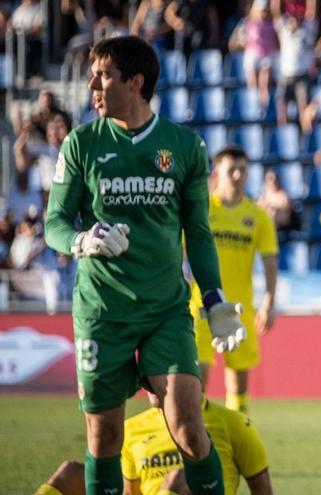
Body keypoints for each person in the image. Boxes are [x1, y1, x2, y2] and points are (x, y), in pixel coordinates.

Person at [44, 36, 245, 495]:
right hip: (101, 311)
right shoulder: (81, 144)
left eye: (104, 75)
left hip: (165, 311)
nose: (93, 85)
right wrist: (82, 240)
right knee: (105, 437)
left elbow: (197, 232)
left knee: (190, 430)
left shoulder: (184, 147)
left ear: (135, 83)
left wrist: (213, 298)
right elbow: (53, 222)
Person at [34, 392, 273, 495]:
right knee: (71, 473)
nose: (147, 379)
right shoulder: (131, 428)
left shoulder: (233, 423)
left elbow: (262, 490)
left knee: (179, 477)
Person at [190, 146, 279, 413]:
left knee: (238, 386)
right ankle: (198, 442)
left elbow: (270, 261)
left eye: (243, 169)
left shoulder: (258, 216)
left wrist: (269, 303)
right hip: (201, 308)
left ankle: (234, 441)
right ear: (217, 172)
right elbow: (179, 253)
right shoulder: (202, 210)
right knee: (197, 383)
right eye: (232, 170)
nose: (238, 175)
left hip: (241, 309)